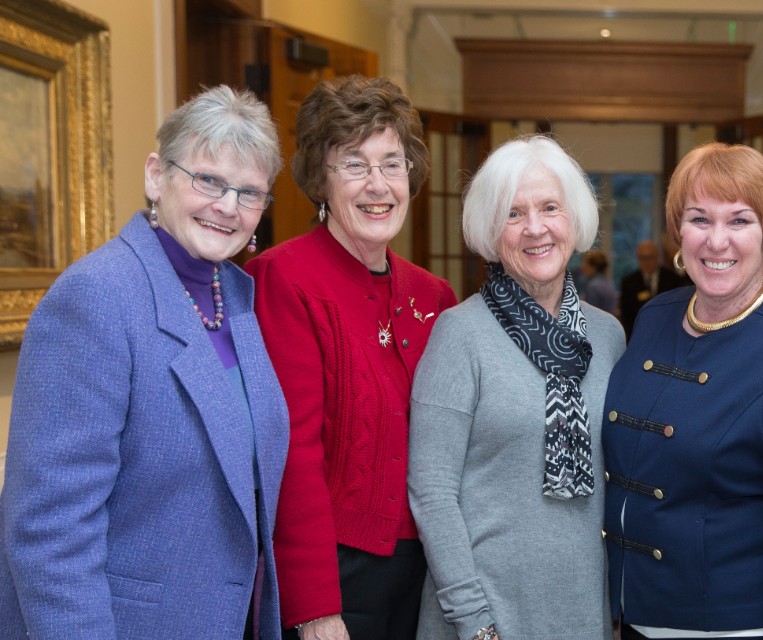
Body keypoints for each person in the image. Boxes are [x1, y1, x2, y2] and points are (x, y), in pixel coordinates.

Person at [0, 86, 288, 638]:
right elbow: (49, 533)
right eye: (208, 180)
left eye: (249, 193)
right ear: (157, 175)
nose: (228, 206)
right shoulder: (96, 298)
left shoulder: (237, 294)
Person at [602, 142, 763, 639]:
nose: (717, 241)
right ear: (678, 231)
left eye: (740, 220)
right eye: (700, 218)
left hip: (731, 626)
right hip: (632, 615)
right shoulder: (654, 317)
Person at [246, 75, 457, 640]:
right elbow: (291, 450)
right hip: (336, 574)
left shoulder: (434, 296)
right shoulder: (283, 278)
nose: (378, 185)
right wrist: (315, 606)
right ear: (321, 177)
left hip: (427, 576)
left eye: (392, 163)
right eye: (354, 164)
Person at [409, 134, 623, 640]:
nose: (535, 228)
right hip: (482, 615)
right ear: (490, 229)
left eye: (550, 207)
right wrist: (475, 622)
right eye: (512, 213)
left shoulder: (608, 335)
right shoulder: (458, 334)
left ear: (574, 219)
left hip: (582, 610)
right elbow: (432, 493)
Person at [618, 240, 686, 339]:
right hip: (640, 335)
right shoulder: (629, 282)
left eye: (649, 257)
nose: (646, 262)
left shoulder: (673, 279)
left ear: (657, 257)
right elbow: (626, 316)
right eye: (642, 258)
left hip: (668, 334)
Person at [579, 249, 619, 313]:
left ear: (594, 267)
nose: (582, 267)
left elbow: (590, 312)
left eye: (586, 263)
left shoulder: (593, 287)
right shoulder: (610, 284)